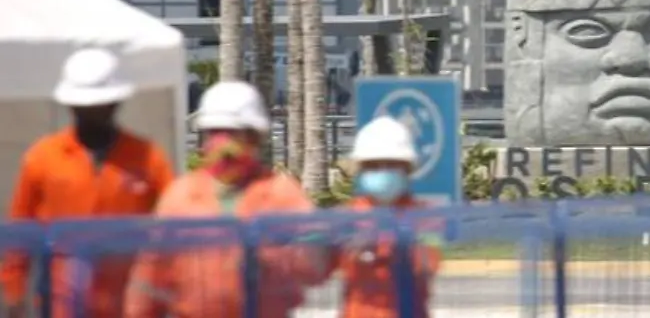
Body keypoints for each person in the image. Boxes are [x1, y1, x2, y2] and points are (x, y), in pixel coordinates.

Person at [123, 81, 326, 318]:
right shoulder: (181, 195)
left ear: (254, 137)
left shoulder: (282, 193)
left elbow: (315, 268)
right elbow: (150, 275)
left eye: (231, 132)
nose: (222, 143)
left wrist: (276, 257)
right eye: (214, 132)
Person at [2, 48, 175, 318]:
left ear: (116, 103)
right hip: (62, 299)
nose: (92, 113)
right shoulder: (43, 157)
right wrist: (14, 293)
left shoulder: (148, 158)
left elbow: (174, 225)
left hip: (128, 301)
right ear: (70, 105)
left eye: (100, 105)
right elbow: (20, 230)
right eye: (84, 107)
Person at [339, 116, 442, 318]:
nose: (382, 172)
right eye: (374, 166)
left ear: (407, 169)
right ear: (361, 170)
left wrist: (389, 243)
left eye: (391, 165)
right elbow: (313, 270)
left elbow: (427, 267)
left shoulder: (424, 216)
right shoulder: (348, 216)